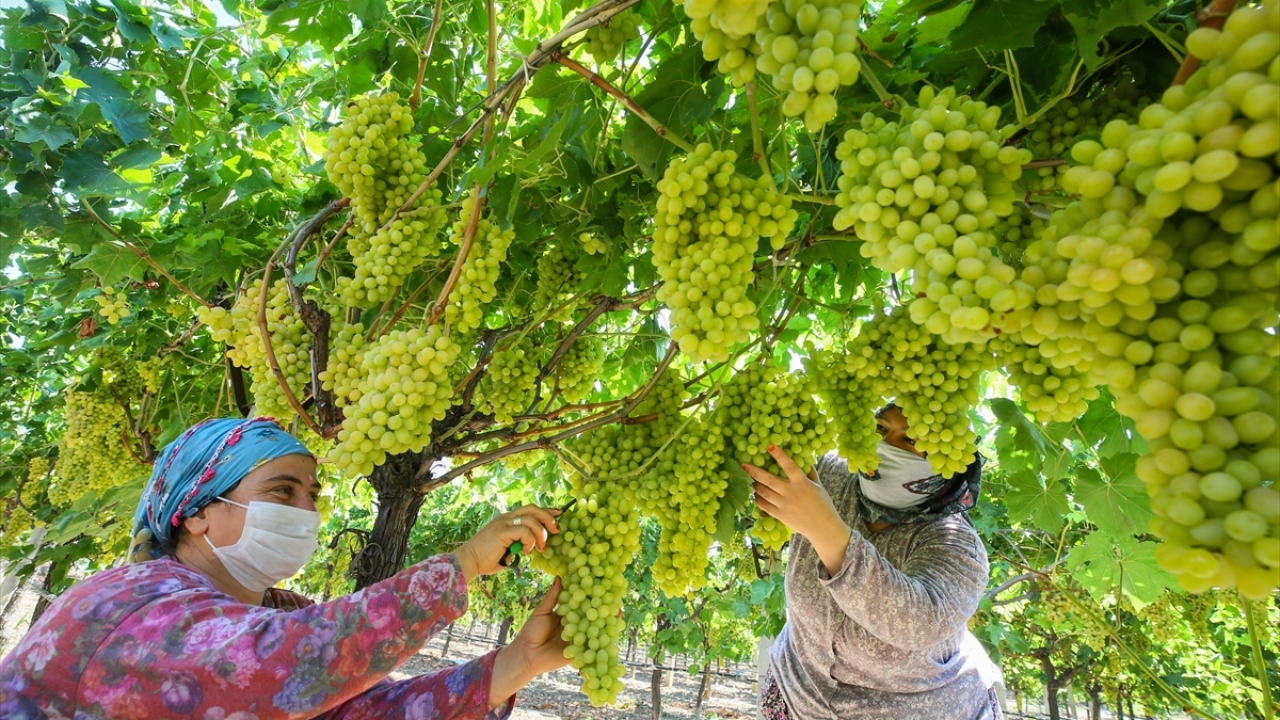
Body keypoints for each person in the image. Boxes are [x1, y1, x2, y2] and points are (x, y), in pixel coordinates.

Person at [0, 416, 569, 720]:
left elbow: (361, 711)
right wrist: (464, 563)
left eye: (312, 494)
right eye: (282, 490)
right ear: (196, 514)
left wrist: (520, 661)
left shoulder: (277, 612)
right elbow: (279, 670)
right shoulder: (126, 602)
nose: (305, 511)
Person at [742, 402, 1004, 720]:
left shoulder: (958, 547)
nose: (883, 446)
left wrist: (824, 528)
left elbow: (917, 622)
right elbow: (750, 449)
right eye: (880, 428)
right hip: (798, 695)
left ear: (947, 461)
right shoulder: (830, 473)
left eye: (911, 440)